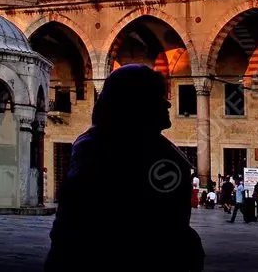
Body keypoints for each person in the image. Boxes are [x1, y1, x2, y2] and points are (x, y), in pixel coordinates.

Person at [45, 65, 204, 271]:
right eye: (158, 97)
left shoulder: (96, 146)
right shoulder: (103, 151)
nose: (167, 103)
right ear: (136, 105)